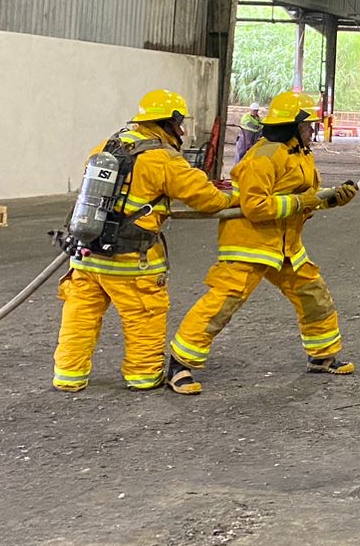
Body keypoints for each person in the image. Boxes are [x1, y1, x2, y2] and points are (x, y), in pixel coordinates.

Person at [167, 92, 359, 395]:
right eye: (307, 125)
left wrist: (332, 199)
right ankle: (179, 365)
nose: (312, 131)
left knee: (314, 295)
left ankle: (322, 357)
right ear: (292, 126)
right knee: (223, 303)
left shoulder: (300, 154)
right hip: (249, 244)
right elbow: (255, 207)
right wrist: (303, 202)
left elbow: (306, 197)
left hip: (285, 245)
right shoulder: (263, 158)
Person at [52, 89, 234, 393]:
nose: (182, 131)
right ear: (170, 122)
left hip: (86, 254)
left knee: (79, 317)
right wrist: (234, 197)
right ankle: (143, 376)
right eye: (180, 124)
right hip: (131, 263)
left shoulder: (104, 146)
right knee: (144, 317)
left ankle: (68, 375)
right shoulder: (163, 159)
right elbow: (208, 199)